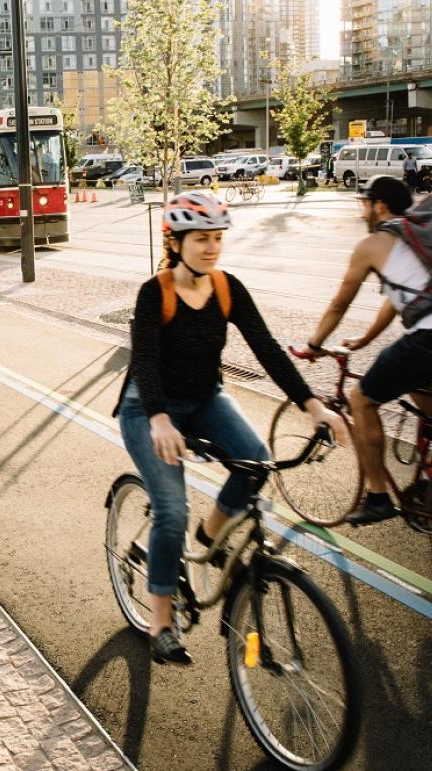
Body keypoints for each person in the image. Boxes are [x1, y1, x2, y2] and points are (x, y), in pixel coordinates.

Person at [115, 192, 346, 663]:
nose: (212, 248)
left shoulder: (226, 288)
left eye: (218, 238)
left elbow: (267, 350)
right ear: (176, 242)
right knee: (171, 509)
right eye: (201, 239)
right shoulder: (154, 292)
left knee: (256, 459)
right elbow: (146, 362)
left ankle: (209, 535)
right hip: (149, 408)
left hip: (204, 398)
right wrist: (160, 419)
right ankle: (161, 620)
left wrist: (313, 405)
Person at [302, 176, 432, 526]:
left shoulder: (374, 244)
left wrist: (314, 345)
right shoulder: (423, 237)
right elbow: (398, 301)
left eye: (364, 203)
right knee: (419, 383)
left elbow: (338, 304)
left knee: (361, 399)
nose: (363, 212)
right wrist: (364, 340)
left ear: (379, 205)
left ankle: (377, 497)